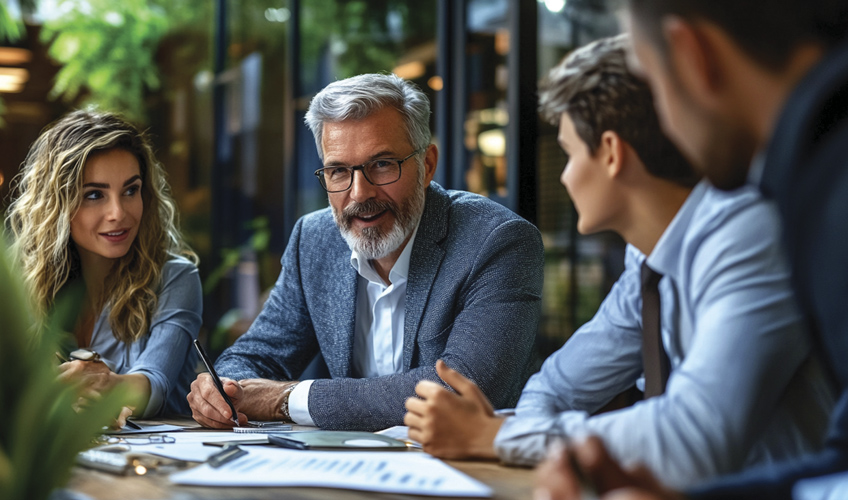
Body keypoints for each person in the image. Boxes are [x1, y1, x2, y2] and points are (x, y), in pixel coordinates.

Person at [404, 34, 833, 489]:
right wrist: (508, 436)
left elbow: (696, 437)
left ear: (611, 153)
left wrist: (504, 436)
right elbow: (557, 387)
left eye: (569, 153)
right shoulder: (648, 262)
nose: (564, 176)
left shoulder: (746, 234)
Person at [534, 1, 848, 499]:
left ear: (691, 55)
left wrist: (508, 437)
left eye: (652, 85)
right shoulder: (810, 179)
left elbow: (697, 437)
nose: (659, 125)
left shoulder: (797, 208)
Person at [187, 73, 544, 431]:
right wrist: (222, 392)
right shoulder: (314, 239)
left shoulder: (497, 241)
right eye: (338, 171)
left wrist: (285, 398)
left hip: (467, 475)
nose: (360, 193)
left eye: (383, 164)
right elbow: (257, 356)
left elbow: (462, 391)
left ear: (427, 165)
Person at [6, 109, 202, 423]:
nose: (118, 213)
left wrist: (107, 386)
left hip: (158, 463)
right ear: (58, 203)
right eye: (95, 194)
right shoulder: (29, 279)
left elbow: (155, 383)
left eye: (130, 190)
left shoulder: (175, 277)